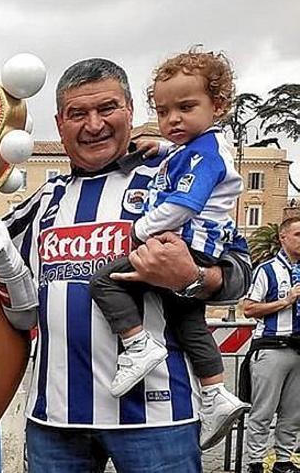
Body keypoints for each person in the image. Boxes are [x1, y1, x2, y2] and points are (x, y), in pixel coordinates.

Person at [0, 58, 251, 472]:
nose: (94, 124)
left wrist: (193, 277)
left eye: (107, 108)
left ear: (130, 111)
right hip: (55, 417)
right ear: (60, 123)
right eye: (77, 113)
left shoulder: (171, 180)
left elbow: (239, 270)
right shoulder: (44, 200)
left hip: (158, 417)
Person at [89, 50, 248, 448]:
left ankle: (138, 345)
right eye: (163, 112)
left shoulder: (205, 154)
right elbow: (185, 158)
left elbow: (185, 204)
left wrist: (140, 231)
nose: (173, 119)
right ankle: (216, 393)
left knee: (106, 281)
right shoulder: (194, 148)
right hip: (197, 244)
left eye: (185, 108)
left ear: (218, 105)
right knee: (187, 320)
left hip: (185, 244)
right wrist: (161, 148)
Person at [239, 217, 300, 473]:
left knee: (294, 413)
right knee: (263, 411)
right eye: (298, 234)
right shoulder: (267, 270)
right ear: (282, 238)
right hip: (271, 347)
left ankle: (283, 461)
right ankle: (255, 462)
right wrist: (285, 301)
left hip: (298, 350)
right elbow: (249, 308)